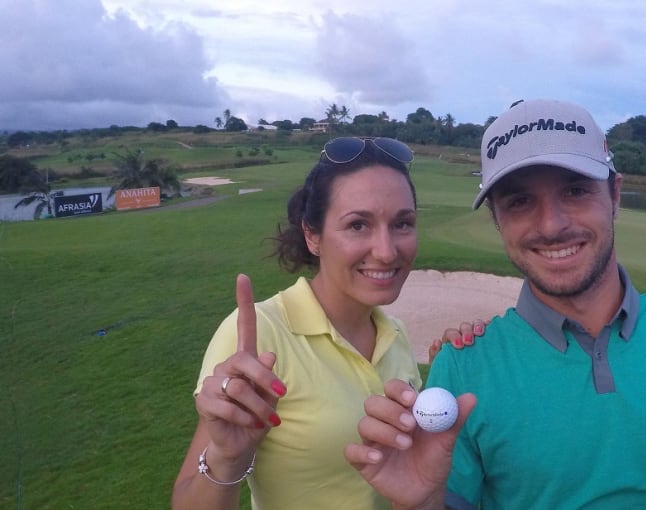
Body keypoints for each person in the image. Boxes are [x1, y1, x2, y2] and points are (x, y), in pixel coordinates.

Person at [344, 99, 646, 509]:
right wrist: (417, 503)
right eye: (520, 201)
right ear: (497, 219)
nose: (551, 225)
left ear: (615, 195)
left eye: (574, 190)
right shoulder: (462, 367)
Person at [171, 137, 483, 510]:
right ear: (312, 236)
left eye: (403, 223)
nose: (386, 251)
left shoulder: (395, 334)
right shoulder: (263, 335)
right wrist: (226, 457)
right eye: (357, 225)